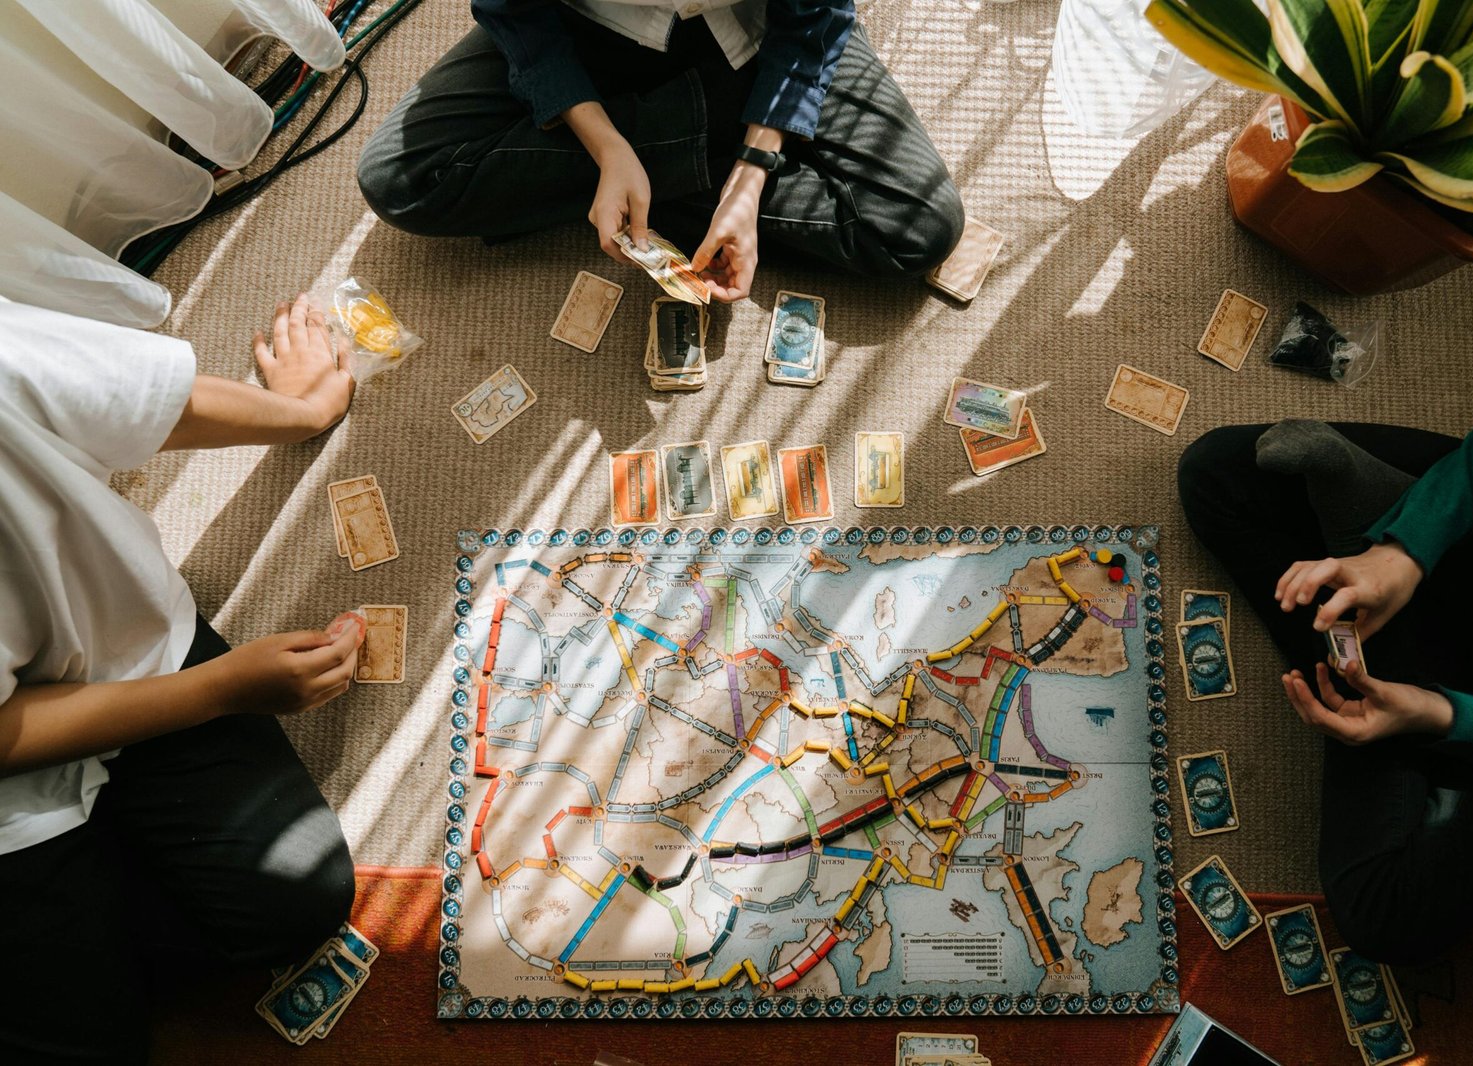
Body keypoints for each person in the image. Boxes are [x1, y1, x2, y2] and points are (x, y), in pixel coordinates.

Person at [0, 295, 364, 1062]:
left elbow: (139, 400)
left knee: (296, 897)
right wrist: (223, 691)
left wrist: (296, 410)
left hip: (128, 655)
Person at [1178, 374, 1473, 965]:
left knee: (1386, 918)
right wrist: (1402, 553)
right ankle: (1370, 565)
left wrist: (1447, 716)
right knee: (1219, 472)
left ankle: (1363, 639)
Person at [356, 0, 965, 301]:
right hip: (589, 28)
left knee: (918, 226)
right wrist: (607, 146)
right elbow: (514, 14)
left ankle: (678, 161)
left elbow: (815, 21)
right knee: (403, 178)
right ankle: (697, 142)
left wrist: (751, 176)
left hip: (763, 35)